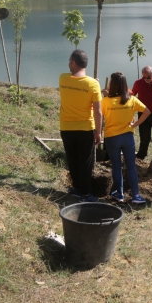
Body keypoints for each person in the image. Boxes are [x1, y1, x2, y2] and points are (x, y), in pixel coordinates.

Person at [58, 49, 103, 203]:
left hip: (66, 128)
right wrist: (98, 132)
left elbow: (76, 82)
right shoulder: (93, 85)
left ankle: (77, 189)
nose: (68, 64)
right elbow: (98, 112)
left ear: (74, 63)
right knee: (86, 162)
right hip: (85, 129)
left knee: (72, 159)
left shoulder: (63, 78)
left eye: (69, 61)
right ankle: (85, 194)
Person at [101, 71, 150, 205]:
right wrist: (135, 124)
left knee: (116, 167)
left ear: (113, 85)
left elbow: (98, 114)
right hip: (128, 137)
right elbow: (147, 112)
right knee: (131, 167)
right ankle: (136, 195)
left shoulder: (105, 101)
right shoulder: (131, 99)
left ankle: (120, 194)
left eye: (111, 83)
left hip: (112, 137)